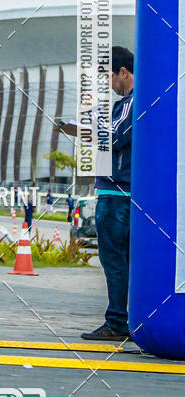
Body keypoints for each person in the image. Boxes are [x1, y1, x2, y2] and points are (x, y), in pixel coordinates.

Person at [81, 46, 134, 342]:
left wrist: (92, 116)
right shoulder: (128, 103)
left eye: (109, 77)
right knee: (122, 260)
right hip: (121, 192)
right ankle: (124, 318)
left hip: (117, 194)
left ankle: (117, 321)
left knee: (114, 259)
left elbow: (113, 138)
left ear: (123, 72)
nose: (108, 85)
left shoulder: (130, 103)